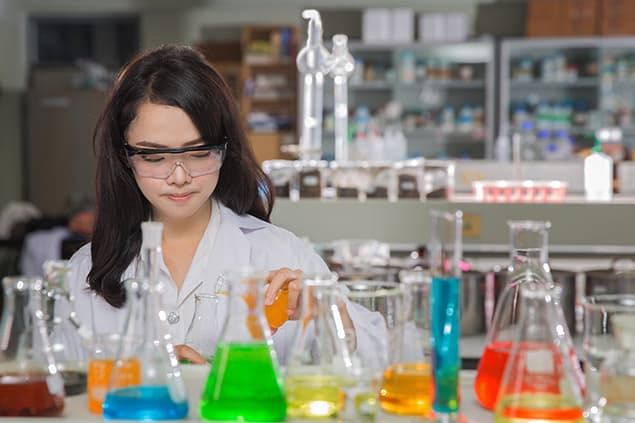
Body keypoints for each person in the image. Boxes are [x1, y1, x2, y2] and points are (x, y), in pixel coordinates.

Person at [67, 44, 382, 365]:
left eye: (199, 152)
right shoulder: (85, 270)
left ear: (225, 149)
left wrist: (328, 313)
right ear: (124, 158)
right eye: (154, 156)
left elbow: (379, 363)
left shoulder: (281, 253)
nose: (179, 176)